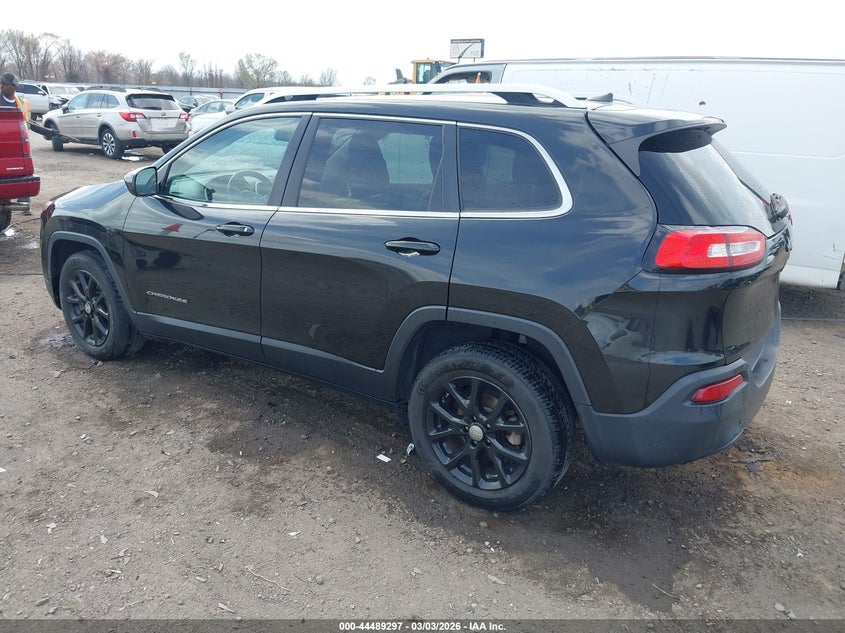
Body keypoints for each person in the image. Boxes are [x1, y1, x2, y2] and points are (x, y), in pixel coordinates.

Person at [1, 72, 32, 211]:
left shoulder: (22, 103)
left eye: (4, 84)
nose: (1, 86)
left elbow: (27, 123)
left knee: (22, 167)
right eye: (1, 83)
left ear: (13, 86)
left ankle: (24, 197)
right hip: (3, 139)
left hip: (17, 140)